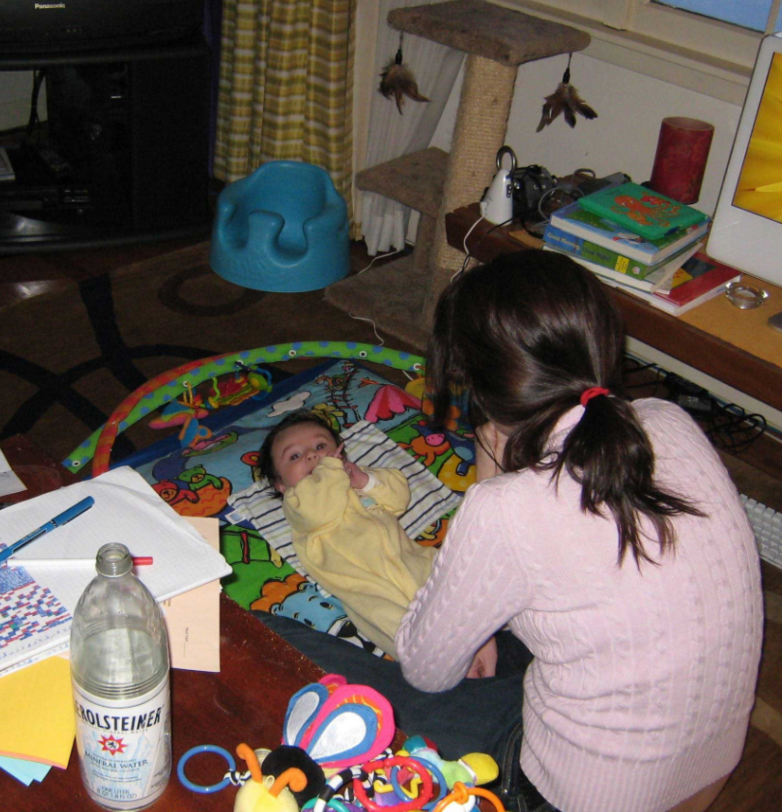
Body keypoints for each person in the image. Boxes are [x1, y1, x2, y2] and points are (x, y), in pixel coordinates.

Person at [255, 251, 762, 812]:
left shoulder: (504, 509)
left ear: (476, 384)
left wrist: (486, 469)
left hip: (573, 792)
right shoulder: (669, 421)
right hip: (708, 766)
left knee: (266, 638)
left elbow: (428, 670)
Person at [258, 410, 436, 657]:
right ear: (281, 485)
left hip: (411, 560)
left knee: (448, 574)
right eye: (295, 456)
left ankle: (481, 623)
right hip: (365, 585)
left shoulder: (355, 479)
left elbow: (398, 498)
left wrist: (366, 481)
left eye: (320, 446)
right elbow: (320, 512)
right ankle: (429, 656)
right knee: (392, 621)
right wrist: (330, 468)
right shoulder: (297, 502)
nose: (312, 455)